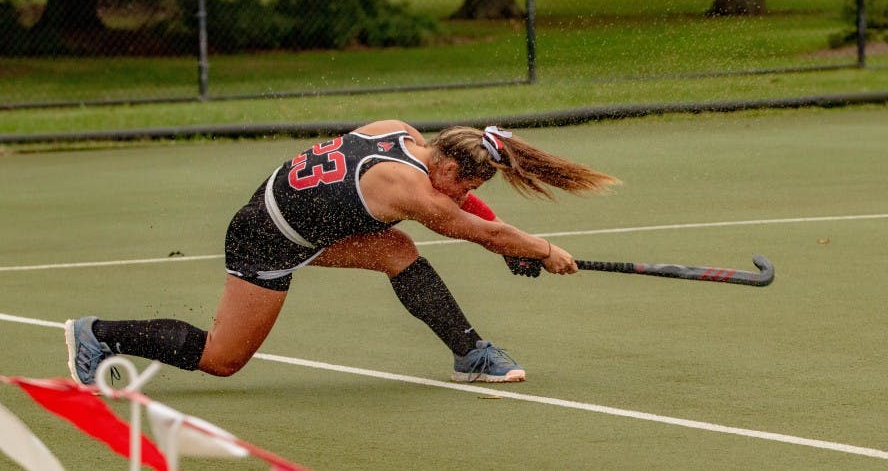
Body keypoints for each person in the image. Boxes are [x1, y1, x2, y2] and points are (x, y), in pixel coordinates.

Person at [65, 120, 619, 385]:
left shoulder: (400, 133)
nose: (465, 195)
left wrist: (508, 242)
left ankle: (472, 355)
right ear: (447, 168)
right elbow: (469, 227)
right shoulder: (407, 188)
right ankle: (97, 332)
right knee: (222, 359)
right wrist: (544, 250)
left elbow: (467, 211)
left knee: (395, 249)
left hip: (293, 216)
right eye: (463, 185)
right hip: (267, 237)